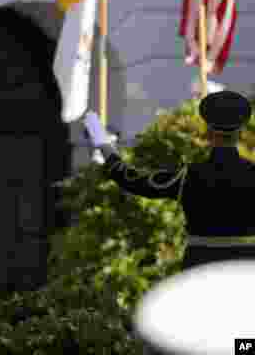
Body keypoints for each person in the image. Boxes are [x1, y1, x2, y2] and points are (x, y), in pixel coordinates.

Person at [82, 90, 255, 269]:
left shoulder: (188, 176)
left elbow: (130, 179)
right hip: (246, 267)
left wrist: (102, 141)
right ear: (240, 132)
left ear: (209, 132)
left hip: (201, 265)